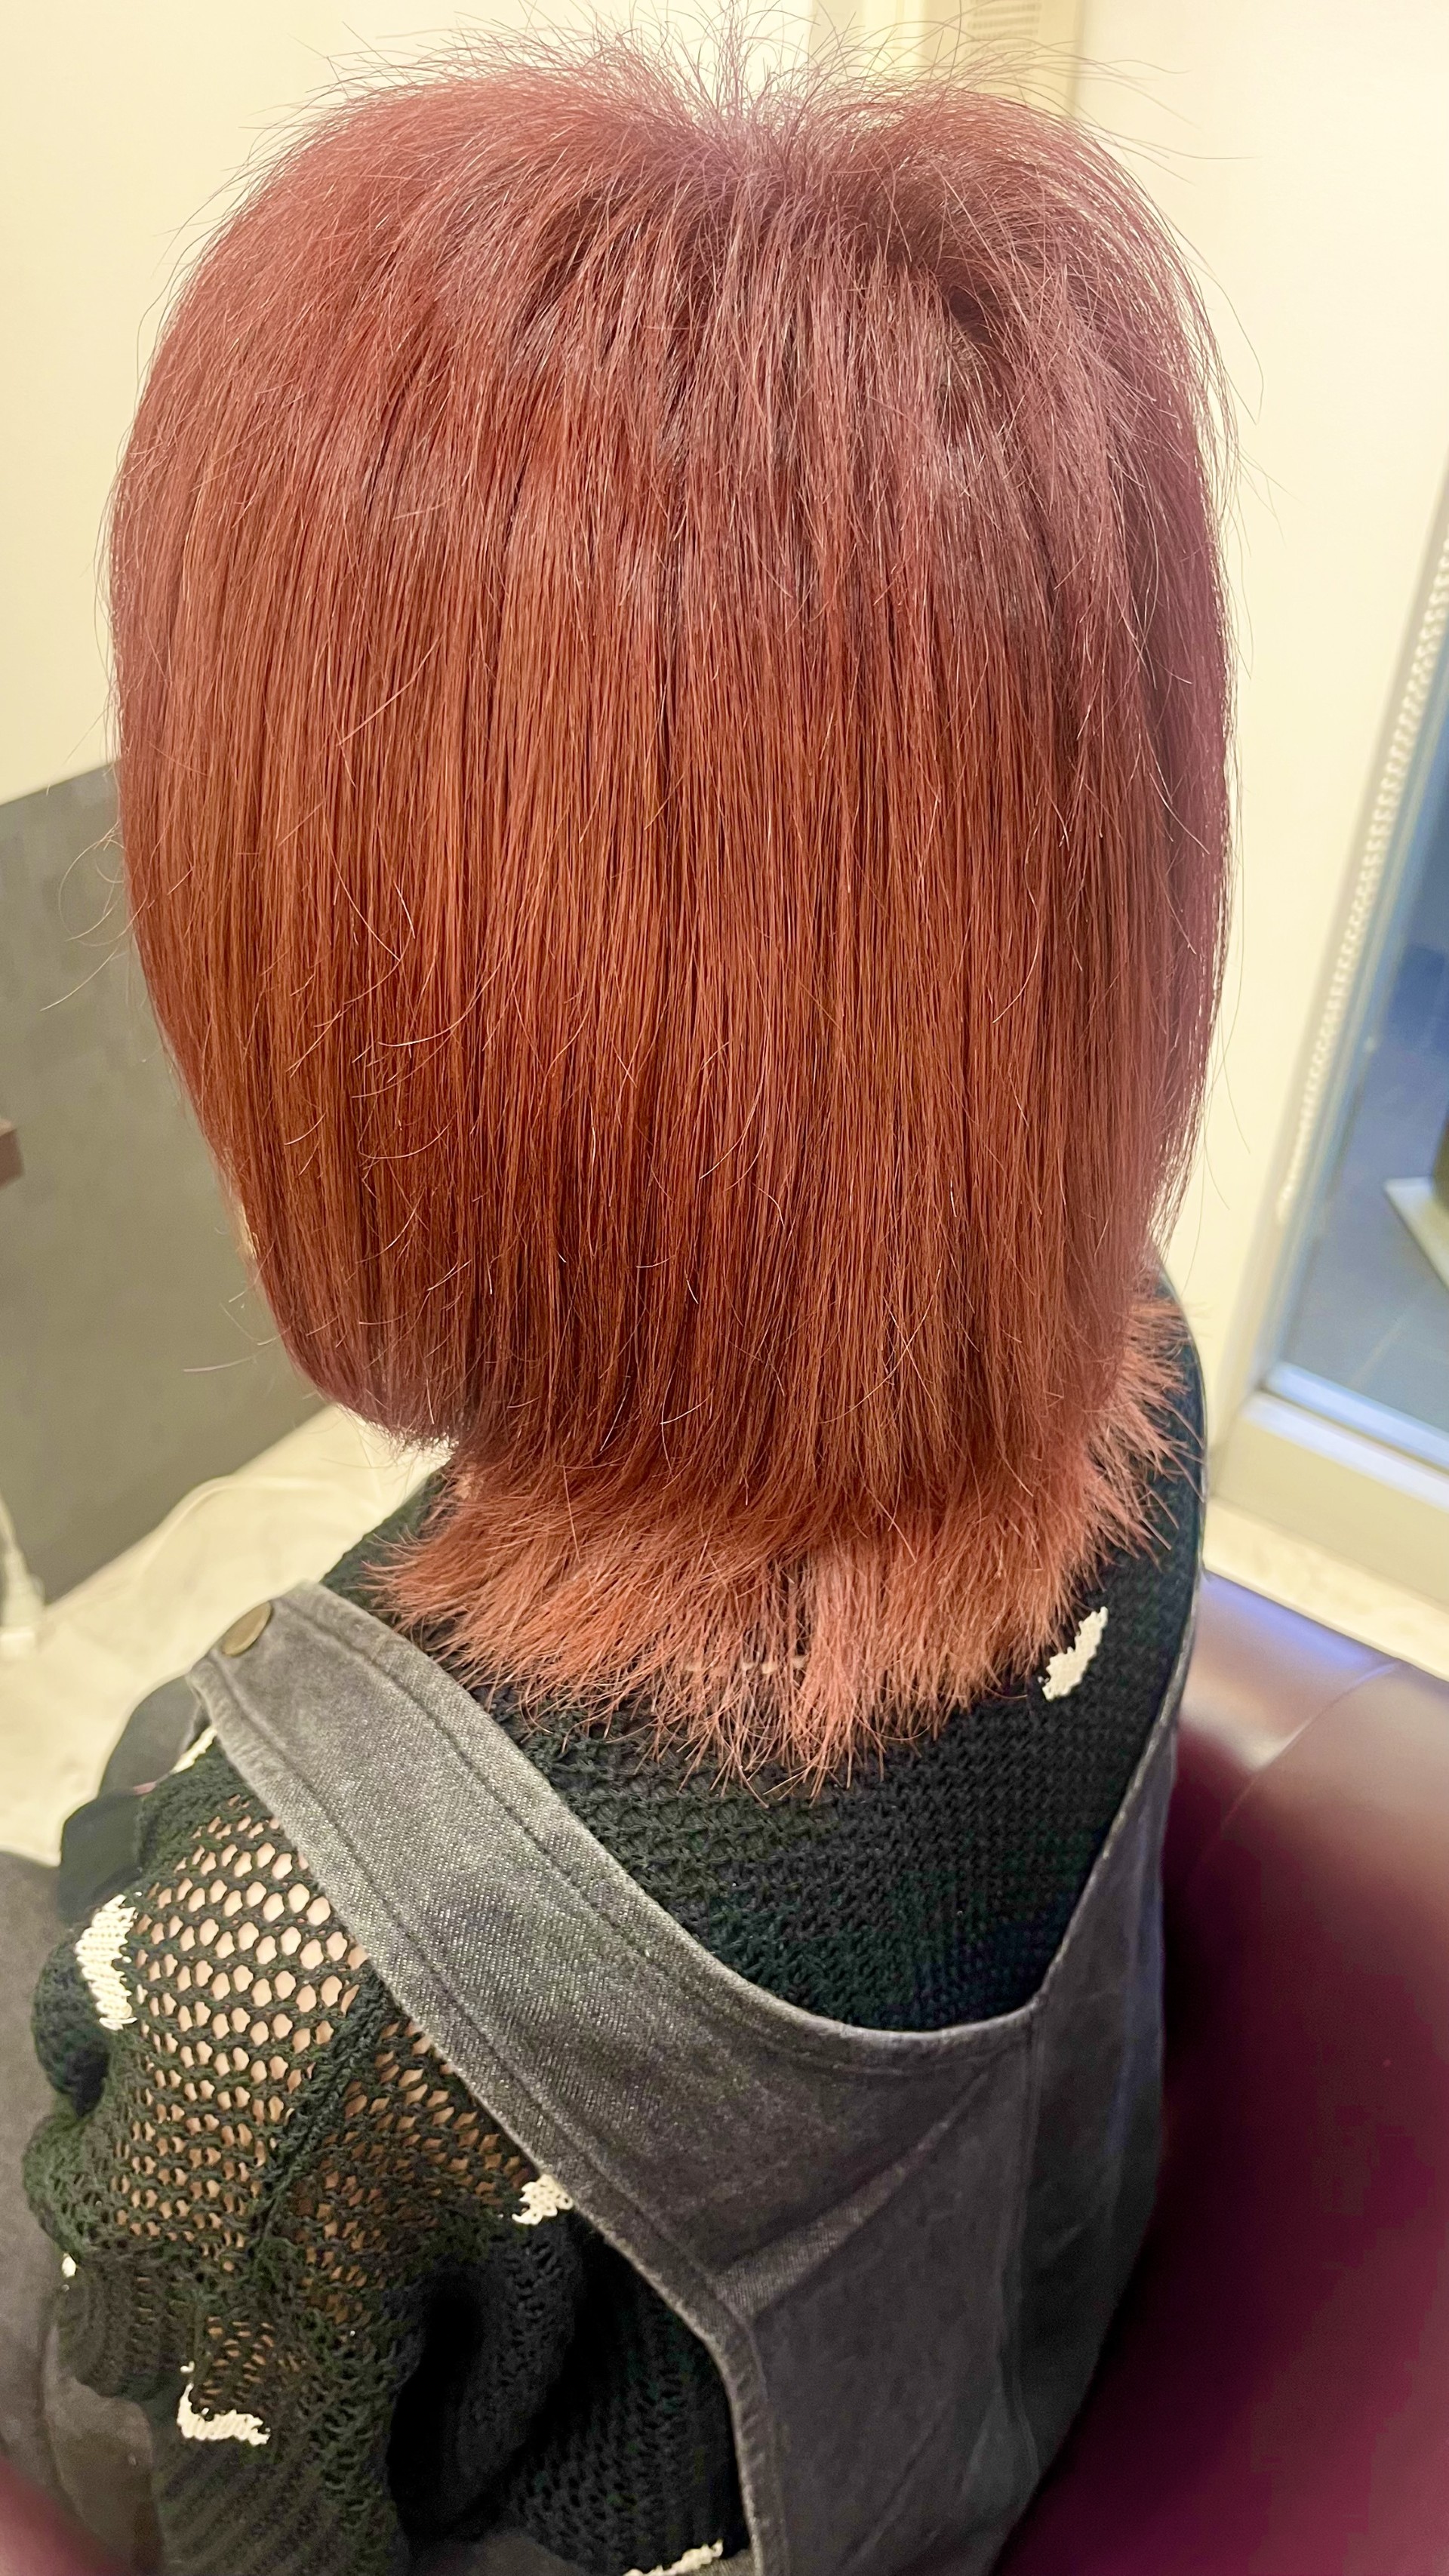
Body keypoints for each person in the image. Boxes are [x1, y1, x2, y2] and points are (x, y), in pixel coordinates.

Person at [24, 37, 1230, 2576]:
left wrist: (169, 1966)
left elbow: (195, 2509)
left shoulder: (303, 1944)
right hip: (985, 2359)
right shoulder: (1142, 1354)